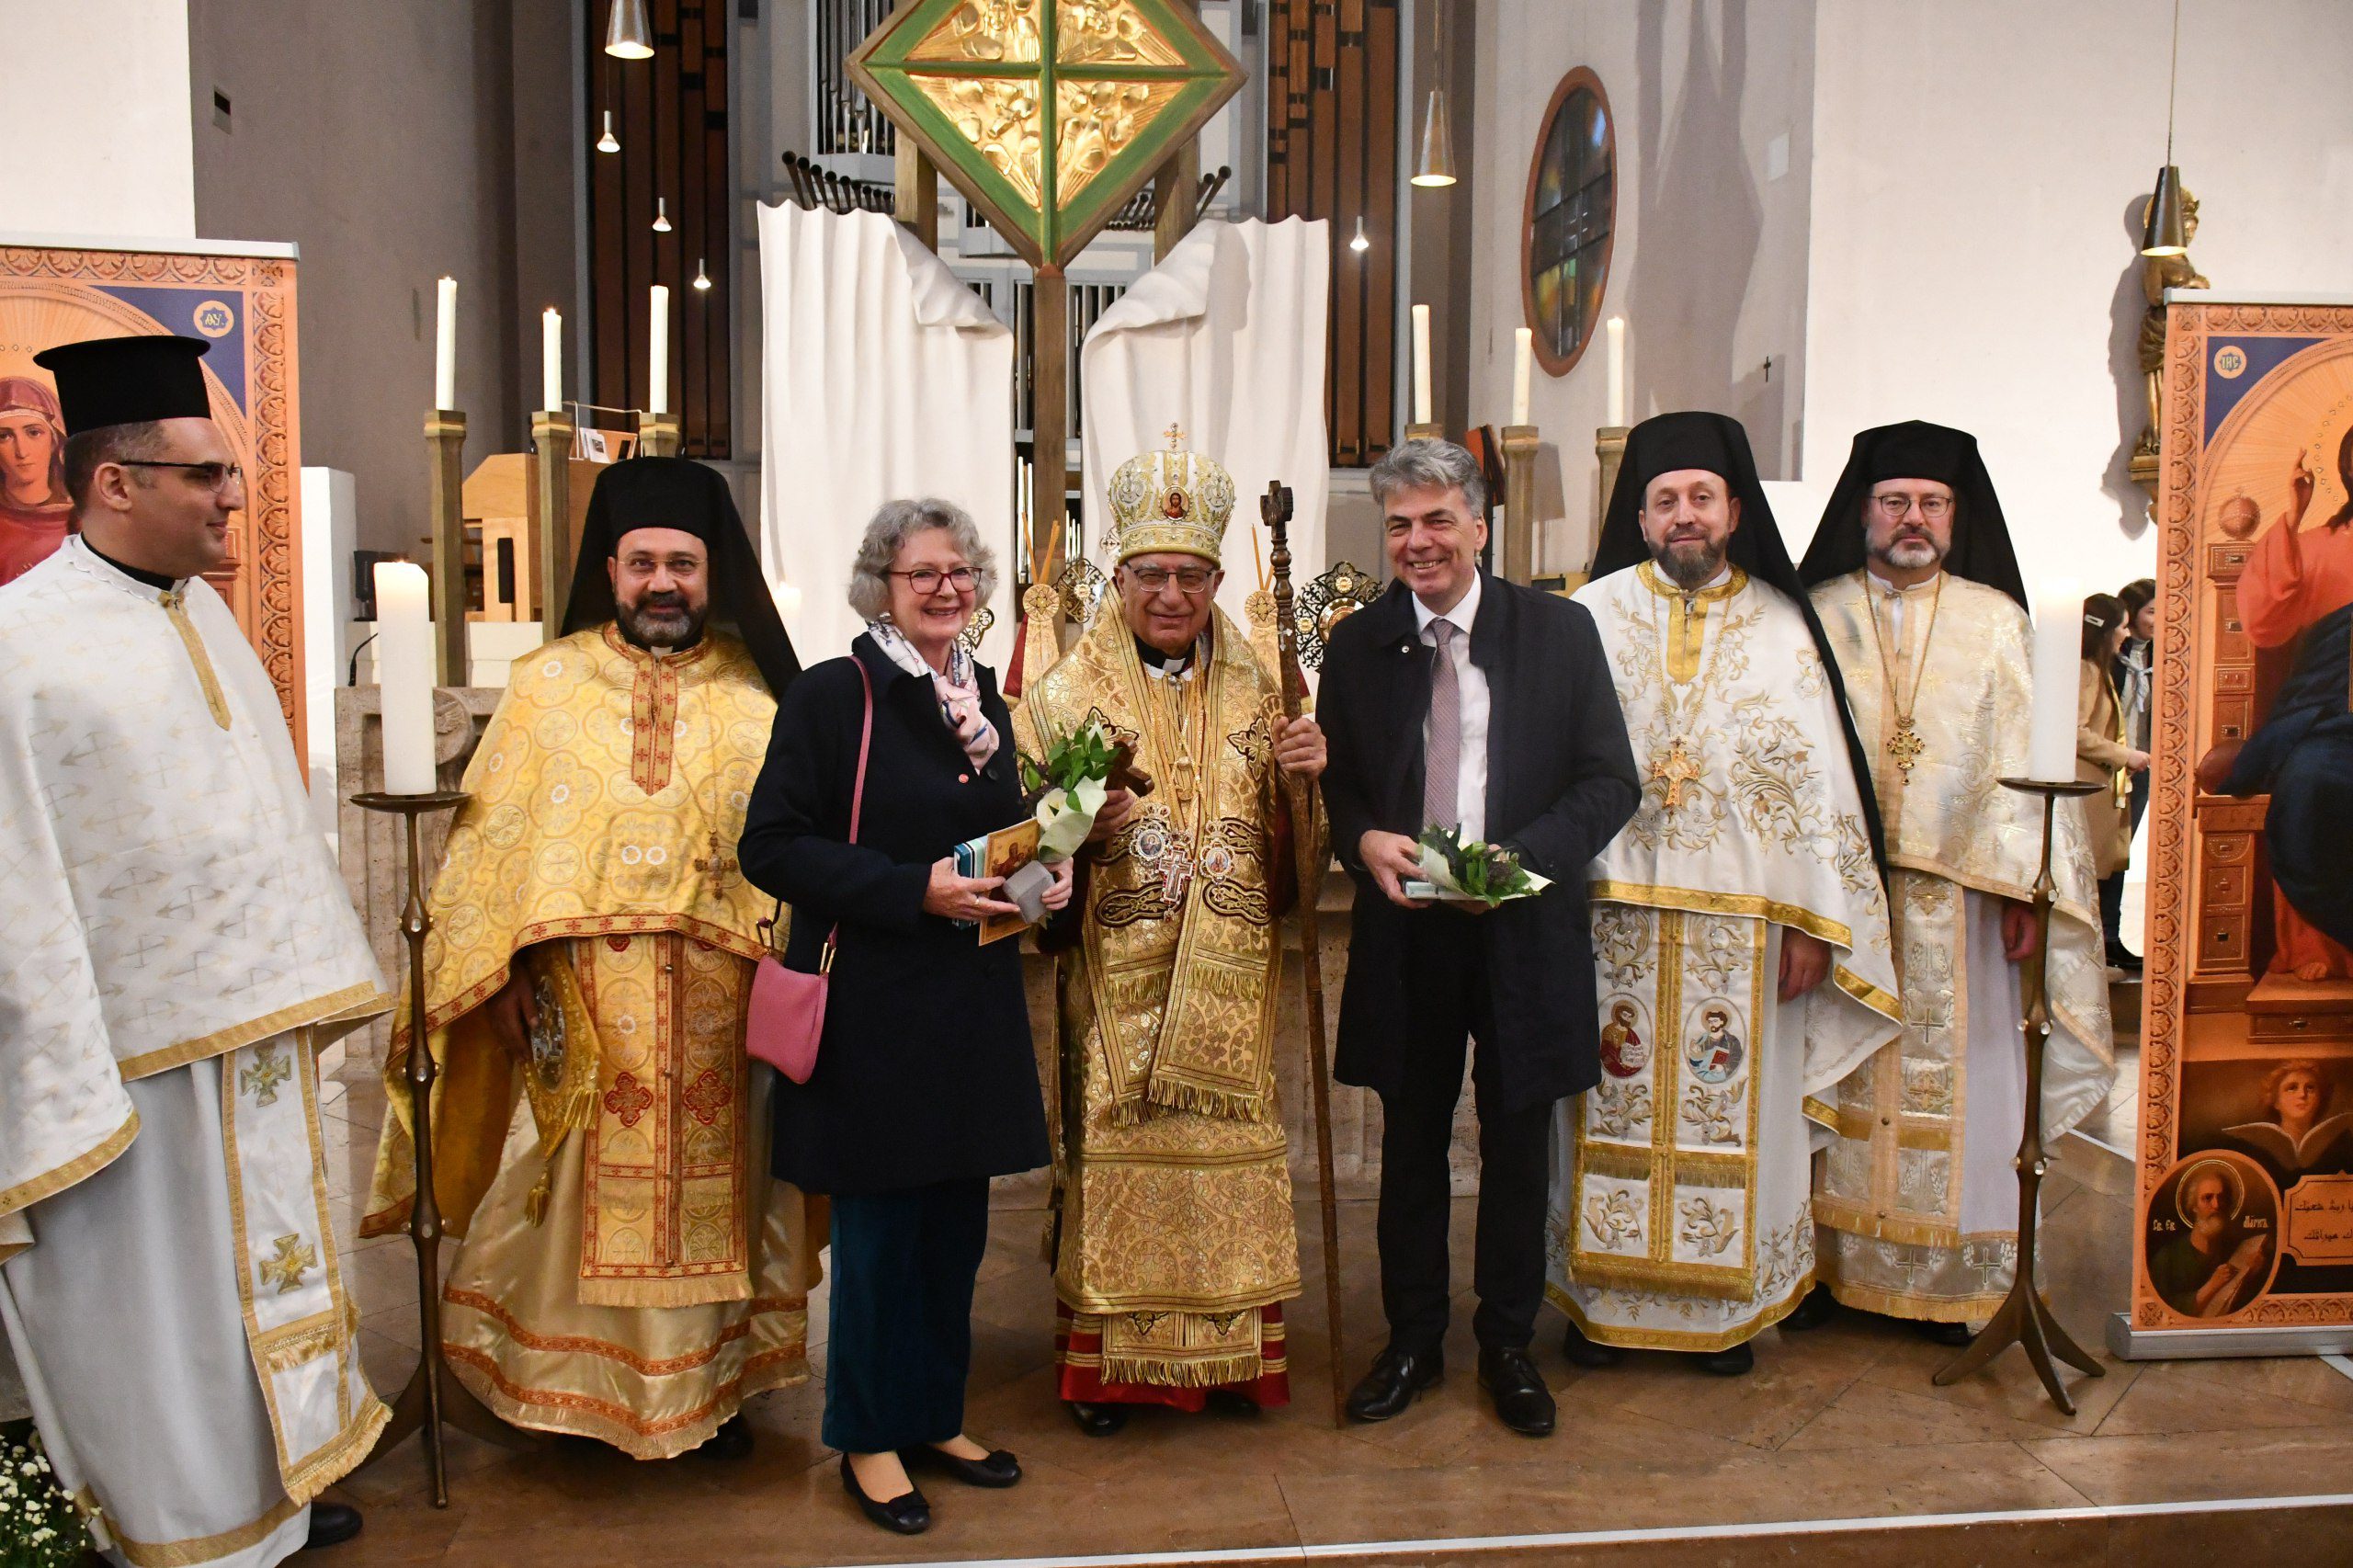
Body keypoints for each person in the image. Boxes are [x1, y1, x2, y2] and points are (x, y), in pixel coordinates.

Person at [0, 335, 386, 1564]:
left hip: (249, 1027)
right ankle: (193, 1525)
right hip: (123, 1060)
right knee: (156, 1305)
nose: (233, 496)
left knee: (258, 1272)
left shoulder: (204, 617)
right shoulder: (21, 642)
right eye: (204, 474)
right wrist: (58, 1064)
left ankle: (276, 1480)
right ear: (116, 482)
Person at [359, 457, 822, 1461]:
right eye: (645, 562)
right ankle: (567, 1385)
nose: (665, 583)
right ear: (611, 568)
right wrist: (507, 973)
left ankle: (714, 1388)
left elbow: (803, 842)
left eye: (685, 565)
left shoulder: (763, 693)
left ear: (715, 572)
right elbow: (493, 849)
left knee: (732, 1191)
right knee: (567, 1182)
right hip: (585, 998)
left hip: (724, 1001)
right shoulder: (548, 685)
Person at [1551, 411, 1900, 1378]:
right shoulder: (1592, 612)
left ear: (1735, 510)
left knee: (1732, 1111)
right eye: (1665, 501)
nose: (1683, 516)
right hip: (1607, 916)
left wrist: (1810, 924)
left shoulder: (1787, 627)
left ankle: (1725, 1314)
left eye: (1701, 497)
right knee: (1601, 1101)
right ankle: (1599, 1301)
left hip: (1746, 936)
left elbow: (1817, 785)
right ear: (1642, 513)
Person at [741, 498, 1060, 1536]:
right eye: (921, 572)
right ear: (880, 583)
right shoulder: (836, 695)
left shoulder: (987, 708)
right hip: (873, 1007)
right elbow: (773, 845)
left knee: (952, 1233)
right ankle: (868, 1435)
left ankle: (931, 1416)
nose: (945, 588)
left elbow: (989, 842)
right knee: (880, 1239)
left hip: (967, 1008)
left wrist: (1036, 881)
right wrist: (905, 888)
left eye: (959, 571)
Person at [1319, 437, 1639, 1437]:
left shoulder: (1558, 631)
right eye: (1401, 526)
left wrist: (1518, 860)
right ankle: (1411, 1338)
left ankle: (1507, 1341)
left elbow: (1608, 779)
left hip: (1523, 926)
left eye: (1437, 520)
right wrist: (1360, 835)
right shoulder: (1357, 643)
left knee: (1516, 1139)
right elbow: (1339, 787)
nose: (1419, 542)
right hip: (1408, 926)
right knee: (1408, 1142)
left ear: (1479, 525)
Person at [1022, 436, 1325, 1436]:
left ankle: (1236, 1360)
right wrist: (1075, 826)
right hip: (1117, 976)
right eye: (1150, 574)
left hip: (1230, 981)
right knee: (1115, 1155)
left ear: (1214, 582)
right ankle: (1110, 1370)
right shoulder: (1062, 694)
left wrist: (1301, 781)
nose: (1169, 593)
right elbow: (1028, 848)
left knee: (1230, 1156)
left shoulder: (1268, 690)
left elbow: (1295, 852)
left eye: (1190, 575)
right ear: (1119, 578)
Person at [1792, 420, 2114, 1344]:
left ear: (1954, 515)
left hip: (1961, 902)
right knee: (1835, 1066)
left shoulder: (1996, 620)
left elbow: (2026, 758)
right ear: (1862, 511)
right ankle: (1828, 1267)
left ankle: (1953, 1280)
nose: (1913, 518)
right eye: (1895, 501)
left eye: (1931, 503)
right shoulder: (1815, 612)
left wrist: (2026, 889)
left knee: (1961, 1085)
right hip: (1842, 896)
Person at [2223, 445, 2353, 981]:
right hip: (2328, 722)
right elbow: (2264, 625)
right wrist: (2294, 518)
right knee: (2307, 786)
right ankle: (2317, 944)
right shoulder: (2315, 548)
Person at [2078, 593, 2146, 971]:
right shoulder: (2086, 671)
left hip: (2101, 787)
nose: (2125, 633)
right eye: (2121, 626)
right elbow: (2075, 731)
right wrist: (2126, 755)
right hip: (2087, 788)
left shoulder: (2095, 667)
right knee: (2086, 876)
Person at [2148, 1162, 2268, 1318]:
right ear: (2194, 1206)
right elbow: (2161, 1312)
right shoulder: (2166, 1258)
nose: (2216, 1205)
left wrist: (2251, 1274)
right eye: (2207, 1198)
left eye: (2221, 1198)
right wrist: (2212, 1286)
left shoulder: (2233, 1250)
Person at [2108, 577, 2156, 961]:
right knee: (2102, 853)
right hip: (2107, 767)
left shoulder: (2163, 657)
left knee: (2123, 853)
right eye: (2153, 611)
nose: (2162, 619)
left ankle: (2114, 934)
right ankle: (2103, 935)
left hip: (2143, 769)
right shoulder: (2109, 657)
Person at [2218, 1060, 2353, 1191]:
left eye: (2310, 1088)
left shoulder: (2341, 1142)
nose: (2302, 1094)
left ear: (2320, 1099)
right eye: (2292, 1088)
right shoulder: (2252, 1147)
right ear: (2276, 1101)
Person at [0, 375, 72, 583]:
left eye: (33, 432)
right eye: (4, 436)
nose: (21, 451)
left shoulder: (84, 517)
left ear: (54, 440)